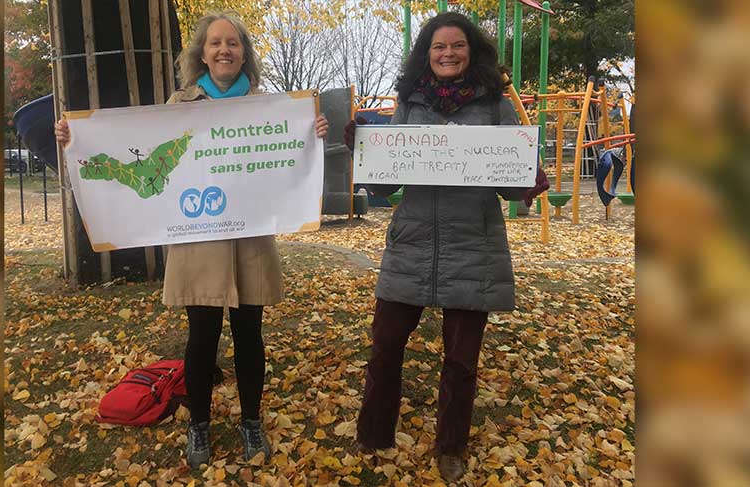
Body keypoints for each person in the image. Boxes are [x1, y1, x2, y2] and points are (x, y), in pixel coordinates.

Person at [55, 11, 328, 469]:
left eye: (234, 43)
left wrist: (312, 133)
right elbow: (130, 145)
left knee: (249, 336)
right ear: (202, 52)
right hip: (198, 237)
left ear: (245, 53)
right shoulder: (178, 104)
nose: (225, 50)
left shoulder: (271, 107)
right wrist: (75, 137)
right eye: (216, 43)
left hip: (250, 239)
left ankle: (251, 422)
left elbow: (290, 157)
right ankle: (198, 422)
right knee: (201, 337)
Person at [342, 12, 548, 483]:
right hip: (412, 239)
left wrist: (528, 182)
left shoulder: (495, 103)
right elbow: (383, 184)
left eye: (457, 46)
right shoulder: (410, 101)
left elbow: (511, 183)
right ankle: (373, 434)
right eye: (439, 47)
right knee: (385, 345)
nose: (448, 54)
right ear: (426, 54)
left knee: (461, 361)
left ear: (471, 51)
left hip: (472, 243)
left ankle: (450, 447)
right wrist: (366, 149)